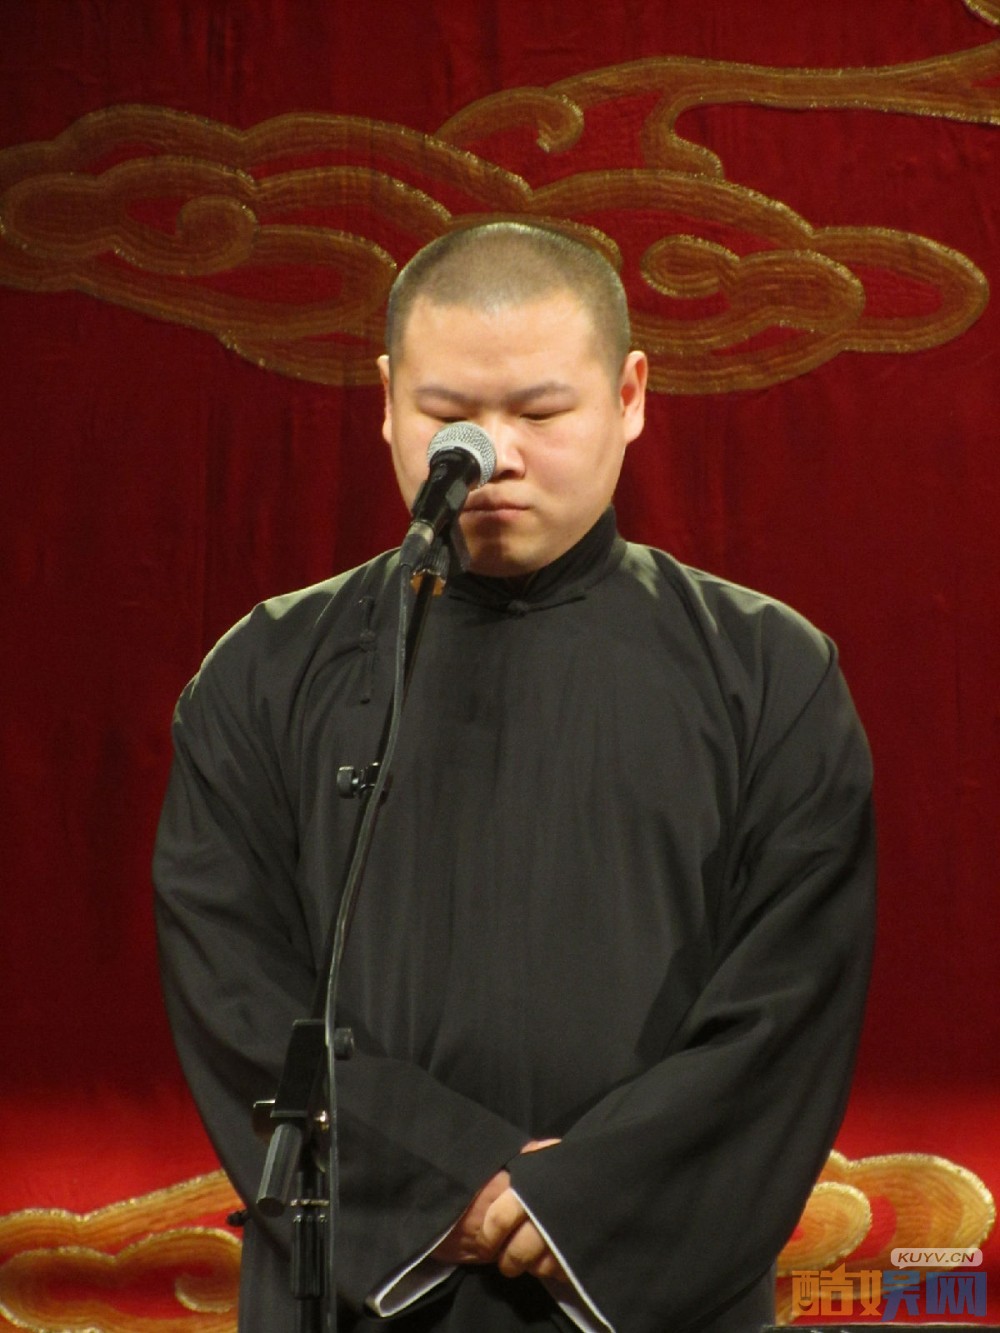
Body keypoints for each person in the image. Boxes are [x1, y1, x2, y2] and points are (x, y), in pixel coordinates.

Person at [154, 221, 876, 1332]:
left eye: (540, 413)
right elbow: (234, 992)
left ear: (629, 396)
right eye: (450, 416)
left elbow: (787, 1008)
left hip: (645, 1287)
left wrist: (578, 1198)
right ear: (386, 400)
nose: (492, 458)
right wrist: (444, 1178)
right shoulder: (266, 672)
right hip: (361, 1283)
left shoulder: (769, 672)